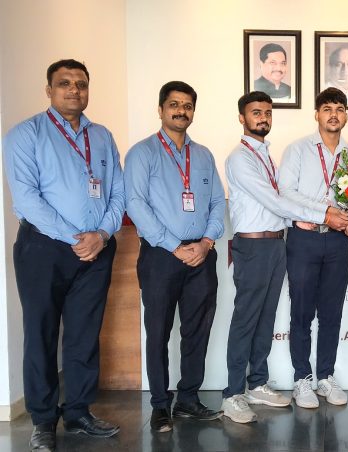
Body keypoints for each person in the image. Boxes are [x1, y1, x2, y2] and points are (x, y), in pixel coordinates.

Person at [3, 59, 125, 451]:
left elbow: (117, 192)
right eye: (65, 83)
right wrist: (77, 238)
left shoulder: (102, 136)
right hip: (44, 248)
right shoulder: (25, 134)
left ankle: (78, 412)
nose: (74, 90)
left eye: (81, 84)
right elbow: (27, 199)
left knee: (84, 334)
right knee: (41, 334)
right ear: (49, 90)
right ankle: (43, 420)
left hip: (96, 250)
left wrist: (101, 235)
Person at [222, 91, 348, 423]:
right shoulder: (241, 158)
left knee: (265, 319)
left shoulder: (265, 154)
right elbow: (277, 200)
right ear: (242, 117)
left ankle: (256, 384)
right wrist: (324, 215)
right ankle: (233, 393)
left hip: (277, 243)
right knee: (247, 319)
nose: (262, 118)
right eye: (256, 112)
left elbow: (281, 203)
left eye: (267, 112)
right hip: (254, 245)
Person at [124, 81, 226, 433]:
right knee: (158, 331)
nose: (181, 111)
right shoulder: (142, 153)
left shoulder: (204, 155)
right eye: (174, 104)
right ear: (161, 109)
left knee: (197, 330)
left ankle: (188, 400)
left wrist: (207, 242)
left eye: (187, 105)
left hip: (201, 254)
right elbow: (135, 204)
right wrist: (173, 245)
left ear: (193, 111)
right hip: (161, 256)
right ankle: (159, 405)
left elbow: (217, 202)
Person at [278, 88, 348, 409]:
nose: (333, 114)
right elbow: (286, 193)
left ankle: (325, 375)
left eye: (339, 108)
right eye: (327, 108)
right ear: (317, 114)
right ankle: (302, 379)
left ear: (346, 115)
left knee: (331, 312)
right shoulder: (298, 150)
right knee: (301, 312)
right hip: (304, 239)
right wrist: (325, 213)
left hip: (338, 240)